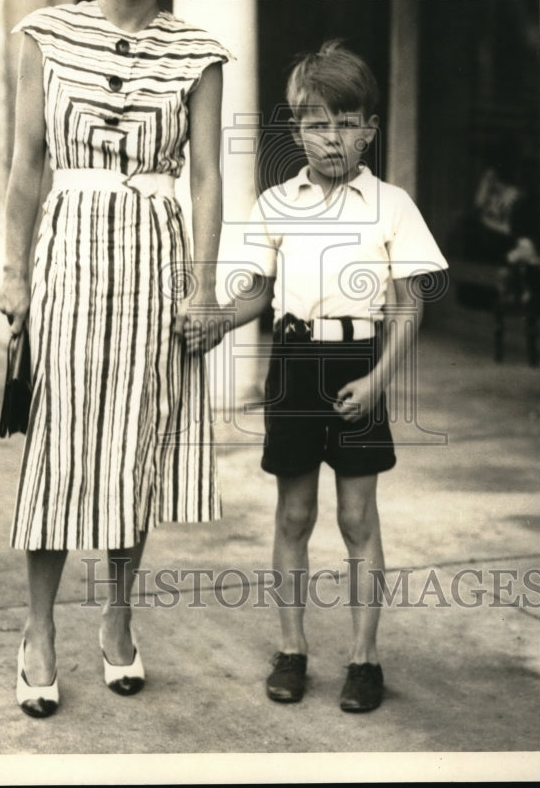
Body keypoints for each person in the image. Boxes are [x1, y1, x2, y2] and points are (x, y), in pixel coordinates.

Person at [0, 0, 231, 717]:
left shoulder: (198, 52)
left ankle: (120, 622)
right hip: (69, 253)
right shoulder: (45, 35)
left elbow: (205, 178)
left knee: (135, 443)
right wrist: (14, 272)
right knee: (59, 444)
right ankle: (38, 629)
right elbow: (27, 166)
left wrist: (203, 290)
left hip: (154, 260)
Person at [188, 41, 448, 711]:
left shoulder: (389, 204)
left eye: (344, 123)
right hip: (295, 368)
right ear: (296, 129)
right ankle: (292, 648)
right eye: (314, 124)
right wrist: (214, 321)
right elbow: (255, 293)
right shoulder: (275, 203)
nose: (330, 139)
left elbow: (407, 305)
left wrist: (378, 382)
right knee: (294, 514)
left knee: (358, 518)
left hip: (359, 365)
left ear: (368, 128)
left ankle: (364, 659)